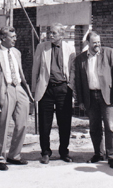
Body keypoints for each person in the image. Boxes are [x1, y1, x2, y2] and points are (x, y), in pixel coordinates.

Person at [0, 26, 34, 171]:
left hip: (19, 87)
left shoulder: (16, 52)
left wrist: (26, 91)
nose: (15, 39)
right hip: (4, 89)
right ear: (3, 38)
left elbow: (20, 73)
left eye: (15, 36)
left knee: (22, 123)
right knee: (2, 124)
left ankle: (14, 155)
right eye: (12, 37)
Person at [74, 31, 113, 169]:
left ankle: (111, 156)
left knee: (110, 127)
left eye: (99, 42)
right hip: (90, 97)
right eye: (94, 43)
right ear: (88, 43)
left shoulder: (108, 53)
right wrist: (80, 100)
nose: (97, 45)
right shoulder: (80, 59)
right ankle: (98, 153)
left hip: (106, 96)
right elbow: (79, 82)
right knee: (94, 127)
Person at [32, 23, 76, 164]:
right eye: (49, 32)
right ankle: (45, 152)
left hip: (63, 89)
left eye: (54, 33)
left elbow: (73, 70)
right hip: (46, 90)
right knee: (45, 124)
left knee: (64, 123)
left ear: (62, 35)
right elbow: (35, 69)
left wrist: (71, 87)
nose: (50, 35)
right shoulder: (41, 47)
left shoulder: (69, 48)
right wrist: (34, 90)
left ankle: (64, 151)